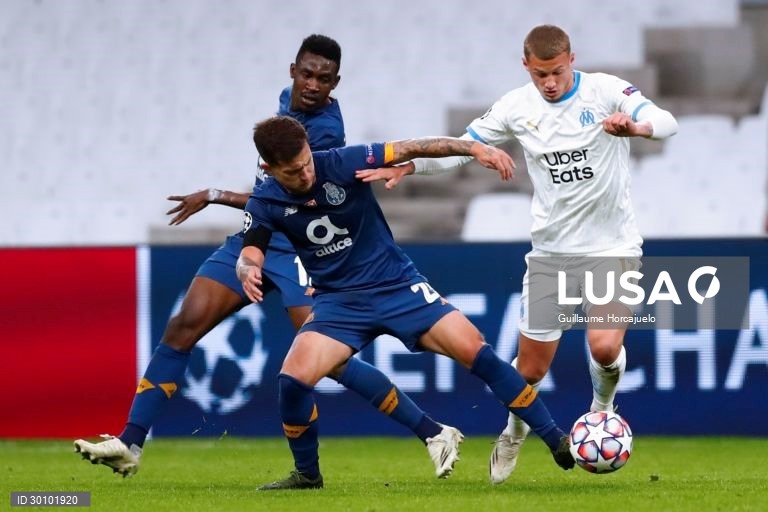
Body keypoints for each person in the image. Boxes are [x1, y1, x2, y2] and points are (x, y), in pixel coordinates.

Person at [74, 35, 458, 480]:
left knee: (329, 360)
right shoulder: (284, 107)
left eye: (325, 79)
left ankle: (432, 431)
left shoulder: (324, 133)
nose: (314, 85)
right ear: (292, 70)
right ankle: (132, 442)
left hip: (299, 244)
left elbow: (279, 198)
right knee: (183, 326)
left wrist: (217, 195)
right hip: (257, 238)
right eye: (308, 74)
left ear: (336, 83)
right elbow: (266, 198)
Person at [356, 24, 679, 485]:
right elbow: (464, 148)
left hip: (612, 246)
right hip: (551, 255)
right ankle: (513, 431)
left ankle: (601, 410)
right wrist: (412, 164)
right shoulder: (516, 107)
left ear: (572, 59)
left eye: (558, 72)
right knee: (530, 368)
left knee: (605, 346)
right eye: (541, 74)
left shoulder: (606, 91)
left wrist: (637, 128)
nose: (550, 82)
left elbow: (666, 120)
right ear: (526, 66)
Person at [237, 115, 575, 490]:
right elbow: (251, 250)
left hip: (397, 287)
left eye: (306, 163)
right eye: (292, 172)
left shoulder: (342, 161)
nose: (304, 175)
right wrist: (247, 268)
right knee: (293, 380)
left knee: (476, 350)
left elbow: (412, 146)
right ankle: (307, 475)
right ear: (269, 168)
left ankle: (555, 438)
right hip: (339, 303)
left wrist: (474, 147)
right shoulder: (265, 200)